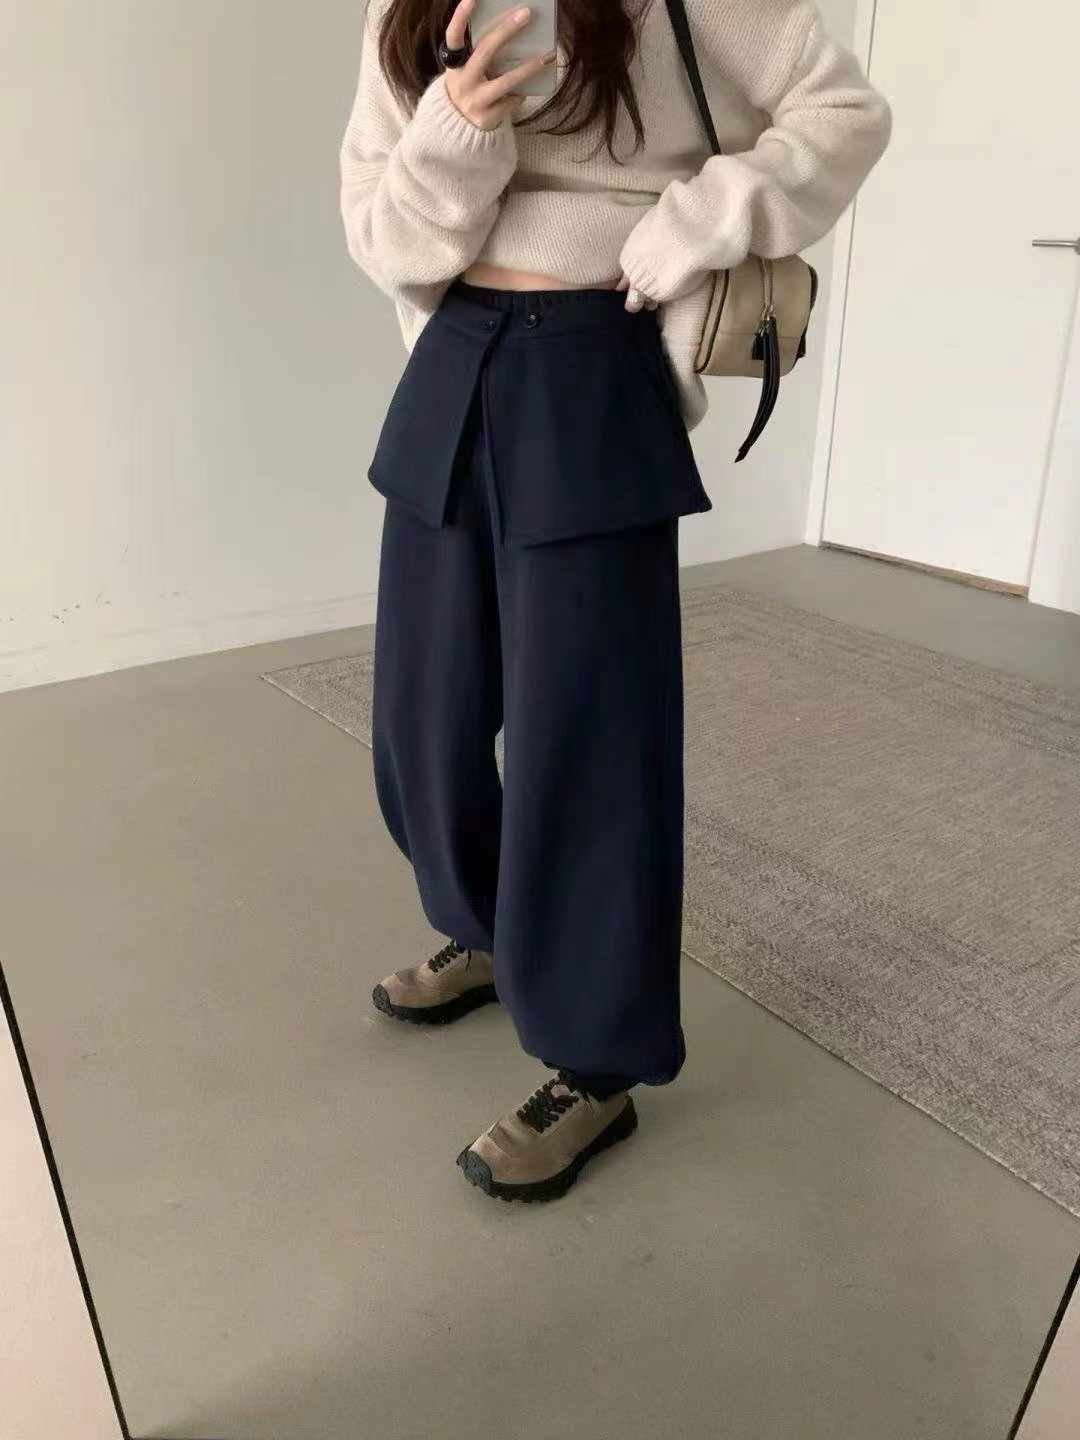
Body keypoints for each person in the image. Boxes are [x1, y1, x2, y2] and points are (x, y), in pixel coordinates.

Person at [339, 0, 891, 1203]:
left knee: (589, 743)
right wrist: (454, 132)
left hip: (594, 360)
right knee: (421, 720)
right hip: (454, 356)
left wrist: (701, 218)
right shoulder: (407, 7)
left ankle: (595, 1062)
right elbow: (383, 234)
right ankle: (492, 930)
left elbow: (845, 113)